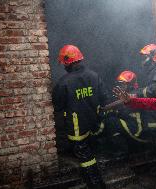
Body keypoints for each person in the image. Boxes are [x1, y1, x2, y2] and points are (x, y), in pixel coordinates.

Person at [52, 44, 108, 189]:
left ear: (66, 63)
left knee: (85, 158)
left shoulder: (64, 82)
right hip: (94, 124)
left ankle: (96, 185)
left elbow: (57, 105)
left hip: (77, 128)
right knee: (91, 151)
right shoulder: (94, 76)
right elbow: (104, 97)